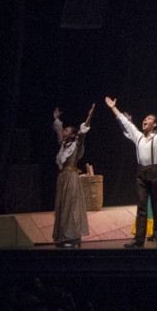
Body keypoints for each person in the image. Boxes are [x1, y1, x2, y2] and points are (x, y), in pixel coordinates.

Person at [105, 96, 157, 248]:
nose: (145, 120)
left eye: (149, 119)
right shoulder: (138, 136)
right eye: (144, 118)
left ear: (154, 125)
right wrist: (113, 107)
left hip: (154, 171)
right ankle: (139, 239)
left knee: (156, 206)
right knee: (141, 206)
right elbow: (125, 122)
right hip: (141, 173)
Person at [51, 104, 94, 248]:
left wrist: (89, 116)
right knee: (62, 206)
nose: (64, 132)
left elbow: (82, 133)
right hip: (62, 179)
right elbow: (58, 131)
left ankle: (73, 236)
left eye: (67, 131)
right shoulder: (63, 145)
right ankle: (63, 236)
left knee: (71, 206)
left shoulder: (76, 145)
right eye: (64, 130)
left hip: (71, 178)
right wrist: (57, 119)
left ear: (73, 135)